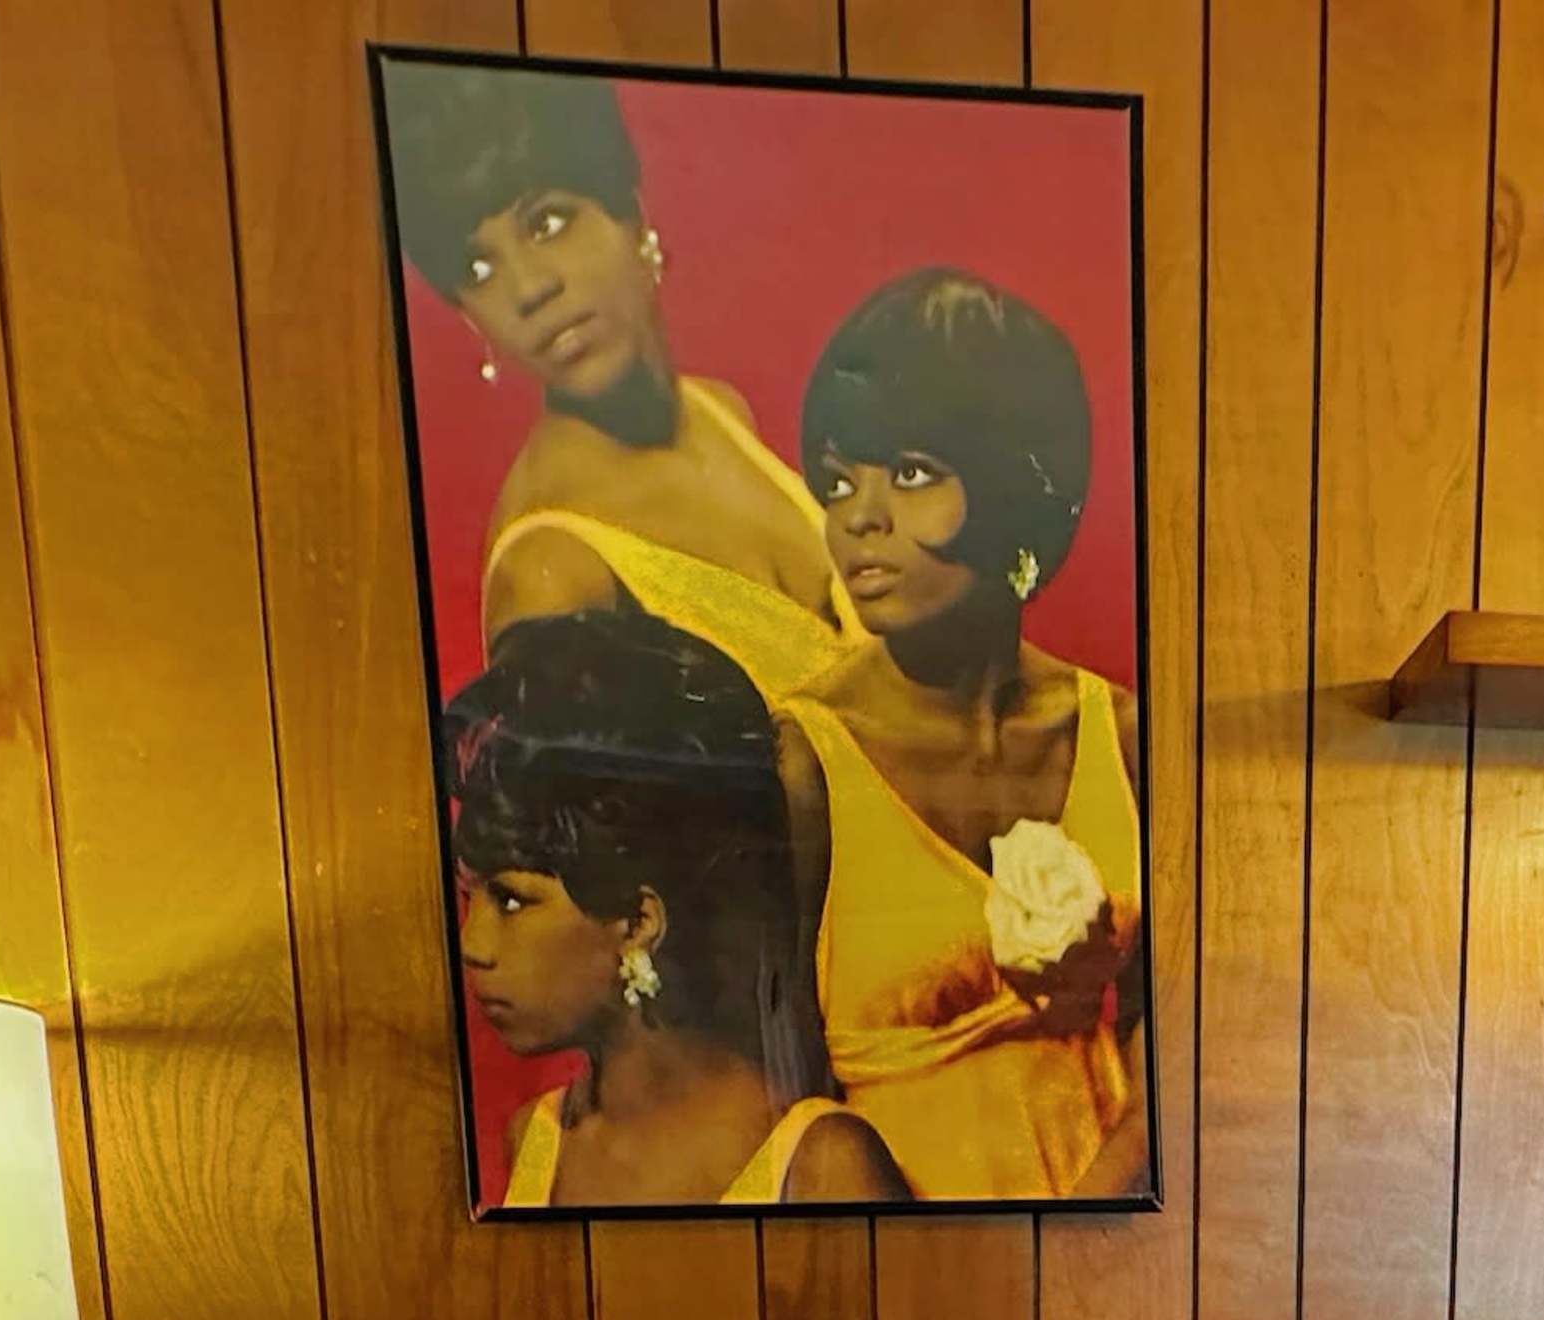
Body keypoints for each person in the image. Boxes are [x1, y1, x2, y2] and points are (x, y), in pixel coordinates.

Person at [788, 269, 1146, 1201]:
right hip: (904, 1274)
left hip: (1129, 1250)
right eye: (836, 480)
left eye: (909, 472)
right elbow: (784, 1114)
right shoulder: (801, 762)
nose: (859, 517)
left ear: (1012, 482)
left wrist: (1095, 1231)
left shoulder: (1127, 738)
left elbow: (1188, 1050)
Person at [384, 64, 859, 698]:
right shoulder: (549, 577)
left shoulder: (720, 412)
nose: (529, 289)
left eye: (547, 223)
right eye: (477, 266)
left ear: (631, 216)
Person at [444, 615, 908, 1209]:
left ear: (639, 922)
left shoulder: (819, 1166)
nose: (472, 944)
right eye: (468, 898)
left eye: (511, 900)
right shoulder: (535, 1142)